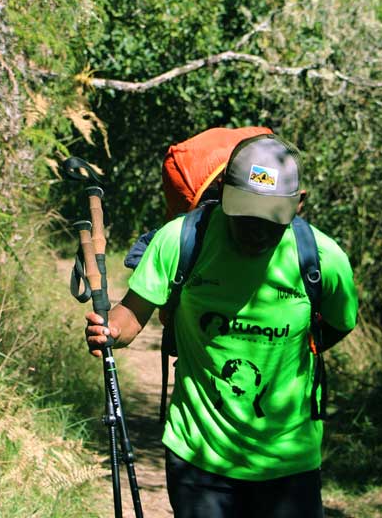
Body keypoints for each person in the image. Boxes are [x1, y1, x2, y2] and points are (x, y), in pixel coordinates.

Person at [84, 134, 358, 518]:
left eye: (270, 217)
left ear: (299, 204)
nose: (255, 230)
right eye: (244, 212)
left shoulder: (323, 259)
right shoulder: (181, 240)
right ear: (224, 193)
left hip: (289, 460)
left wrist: (294, 351)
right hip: (199, 452)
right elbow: (131, 315)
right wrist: (109, 330)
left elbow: (339, 323)